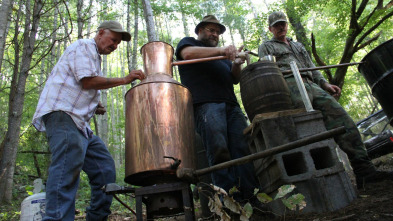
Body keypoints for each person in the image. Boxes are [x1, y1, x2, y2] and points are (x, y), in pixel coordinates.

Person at [258, 11, 393, 188]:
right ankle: (314, 181)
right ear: (270, 28)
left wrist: (325, 84)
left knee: (342, 119)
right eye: (276, 25)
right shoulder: (266, 46)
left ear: (287, 24)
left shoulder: (297, 45)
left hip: (312, 84)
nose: (280, 26)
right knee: (305, 128)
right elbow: (267, 73)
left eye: (282, 23)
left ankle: (364, 170)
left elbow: (311, 67)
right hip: (288, 85)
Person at [32, 20, 145, 221]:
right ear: (100, 33)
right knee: (66, 168)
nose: (115, 45)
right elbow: (87, 81)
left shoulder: (95, 58)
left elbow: (85, 85)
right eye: (113, 40)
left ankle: (97, 217)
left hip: (80, 125)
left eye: (118, 43)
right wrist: (125, 80)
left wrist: (96, 105)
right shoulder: (84, 45)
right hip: (63, 115)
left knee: (105, 168)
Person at [175, 15, 264, 208]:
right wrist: (223, 50)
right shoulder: (188, 43)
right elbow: (187, 55)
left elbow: (234, 79)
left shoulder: (222, 56)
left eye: (217, 32)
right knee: (218, 150)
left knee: (243, 149)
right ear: (199, 31)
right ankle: (228, 203)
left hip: (231, 106)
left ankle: (250, 199)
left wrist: (236, 64)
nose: (215, 34)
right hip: (206, 105)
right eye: (210, 30)